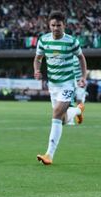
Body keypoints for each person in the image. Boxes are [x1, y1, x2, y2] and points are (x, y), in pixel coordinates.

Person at [33, 11, 87, 165]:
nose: (56, 28)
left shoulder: (71, 41)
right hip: (53, 85)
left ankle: (49, 154)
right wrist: (37, 70)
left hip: (67, 84)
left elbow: (81, 58)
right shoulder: (43, 40)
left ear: (64, 25)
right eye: (53, 25)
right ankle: (78, 110)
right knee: (62, 120)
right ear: (49, 25)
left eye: (59, 25)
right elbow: (38, 58)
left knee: (56, 114)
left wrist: (83, 77)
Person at [66, 55, 86, 125]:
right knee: (69, 99)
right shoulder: (67, 57)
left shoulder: (78, 57)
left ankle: (78, 112)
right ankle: (71, 119)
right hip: (72, 81)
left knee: (79, 101)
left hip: (79, 82)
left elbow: (82, 68)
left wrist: (82, 79)